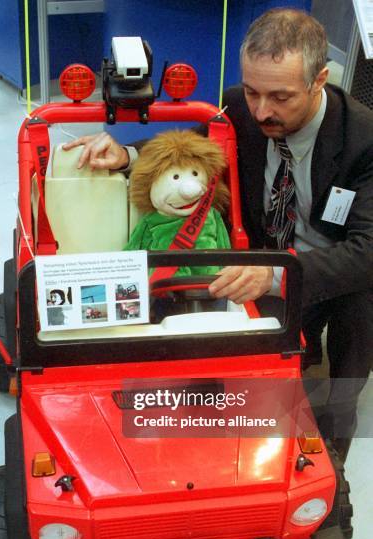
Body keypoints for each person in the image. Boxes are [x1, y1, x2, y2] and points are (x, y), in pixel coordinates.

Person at [63, 8, 373, 461]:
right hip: (261, 255)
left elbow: (367, 251)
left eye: (280, 97)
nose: (262, 110)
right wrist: (127, 155)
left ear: (320, 79)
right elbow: (195, 146)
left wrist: (273, 277)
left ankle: (330, 452)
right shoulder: (238, 107)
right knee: (238, 355)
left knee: (362, 309)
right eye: (252, 92)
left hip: (331, 267)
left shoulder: (364, 138)